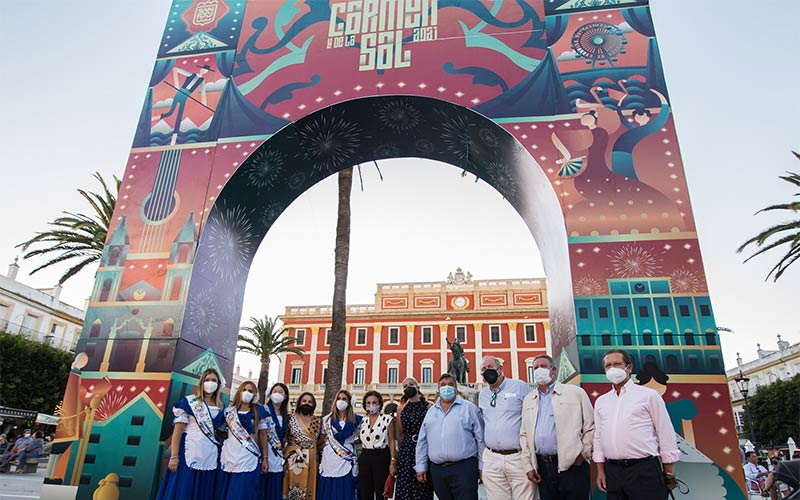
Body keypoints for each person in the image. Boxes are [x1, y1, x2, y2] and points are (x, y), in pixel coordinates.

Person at [593, 349, 679, 500]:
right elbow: (598, 436)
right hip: (613, 471)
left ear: (629, 367)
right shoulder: (601, 401)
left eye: (617, 364)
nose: (612, 368)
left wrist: (669, 473)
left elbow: (665, 432)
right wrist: (600, 470)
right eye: (608, 365)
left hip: (644, 470)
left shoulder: (649, 395)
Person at [519, 354, 594, 500]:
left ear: (553, 370)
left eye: (543, 366)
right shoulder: (529, 399)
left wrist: (583, 454)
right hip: (542, 467)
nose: (539, 370)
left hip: (573, 466)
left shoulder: (575, 393)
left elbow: (590, 427)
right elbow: (524, 434)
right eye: (535, 368)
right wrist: (528, 466)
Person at [156, 368, 224, 500]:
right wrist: (174, 457)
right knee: (184, 488)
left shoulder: (221, 406)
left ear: (218, 384)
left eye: (214, 380)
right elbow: (178, 430)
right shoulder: (189, 402)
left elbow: (221, 431)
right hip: (189, 452)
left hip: (210, 454)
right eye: (207, 380)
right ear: (201, 382)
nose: (210, 383)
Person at [415, 373, 485, 500]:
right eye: (443, 385)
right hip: (438, 470)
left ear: (456, 389)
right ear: (438, 389)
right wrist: (421, 466)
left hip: (464, 468)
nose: (446, 387)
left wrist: (482, 466)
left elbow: (480, 438)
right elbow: (422, 441)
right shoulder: (431, 412)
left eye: (450, 384)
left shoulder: (469, 408)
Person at [477, 356, 534, 500]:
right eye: (483, 369)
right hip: (492, 457)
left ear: (500, 369)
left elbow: (533, 415)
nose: (487, 371)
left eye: (490, 367)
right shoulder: (483, 395)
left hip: (518, 457)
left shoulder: (519, 387)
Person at [217, 381, 268, 500]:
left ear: (254, 395)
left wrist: (265, 458)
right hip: (229, 456)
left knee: (245, 492)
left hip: (249, 457)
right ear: (239, 391)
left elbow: (263, 436)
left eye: (250, 391)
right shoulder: (228, 411)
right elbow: (221, 431)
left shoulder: (258, 411)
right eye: (244, 389)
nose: (247, 393)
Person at [318, 389, 361, 500]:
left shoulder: (357, 420)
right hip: (330, 456)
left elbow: (361, 439)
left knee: (345, 488)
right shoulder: (326, 420)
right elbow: (321, 439)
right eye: (339, 398)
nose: (341, 401)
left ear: (349, 402)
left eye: (344, 399)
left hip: (346, 457)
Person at [395, 378, 433, 500]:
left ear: (417, 387)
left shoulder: (429, 406)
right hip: (406, 451)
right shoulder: (401, 409)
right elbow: (400, 433)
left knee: (423, 485)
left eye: (411, 384)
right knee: (405, 485)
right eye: (405, 386)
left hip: (423, 449)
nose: (408, 387)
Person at [358, 391, 396, 500]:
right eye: (368, 403)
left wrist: (393, 461)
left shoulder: (387, 419)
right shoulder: (362, 421)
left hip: (382, 457)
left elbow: (392, 440)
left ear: (379, 404)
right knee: (365, 492)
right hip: (365, 457)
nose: (371, 405)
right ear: (365, 405)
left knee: (381, 492)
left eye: (374, 402)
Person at [284, 392, 322, 500]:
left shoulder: (318, 421)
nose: (307, 403)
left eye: (310, 402)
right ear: (299, 402)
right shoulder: (290, 418)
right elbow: (284, 437)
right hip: (293, 459)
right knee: (292, 489)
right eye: (304, 401)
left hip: (311, 460)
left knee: (309, 489)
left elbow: (320, 441)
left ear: (314, 404)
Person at [261, 383, 290, 500]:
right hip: (265, 453)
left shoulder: (286, 416)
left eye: (281, 392)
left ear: (285, 396)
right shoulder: (263, 410)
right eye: (275, 391)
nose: (277, 394)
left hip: (278, 456)